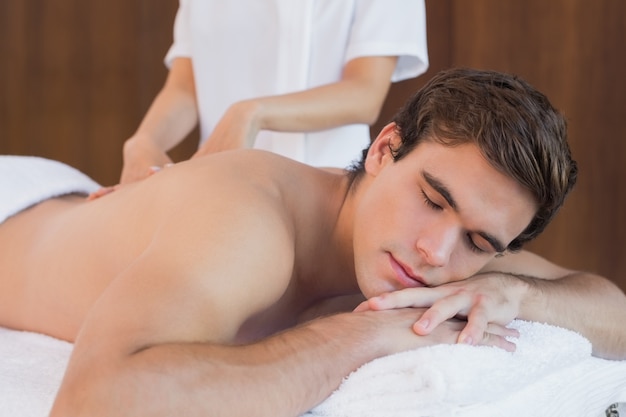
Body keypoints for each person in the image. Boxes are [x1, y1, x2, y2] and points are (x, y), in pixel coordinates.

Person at [0, 68, 624, 417]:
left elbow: (614, 313)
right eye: (433, 199)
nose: (437, 251)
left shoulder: (459, 258)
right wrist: (354, 337)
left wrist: (512, 291)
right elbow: (94, 402)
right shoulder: (248, 221)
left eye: (481, 241)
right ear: (384, 150)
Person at [119, 0, 429, 184]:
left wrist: (252, 113)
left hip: (324, 189)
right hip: (222, 189)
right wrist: (144, 141)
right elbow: (186, 86)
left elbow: (364, 93)